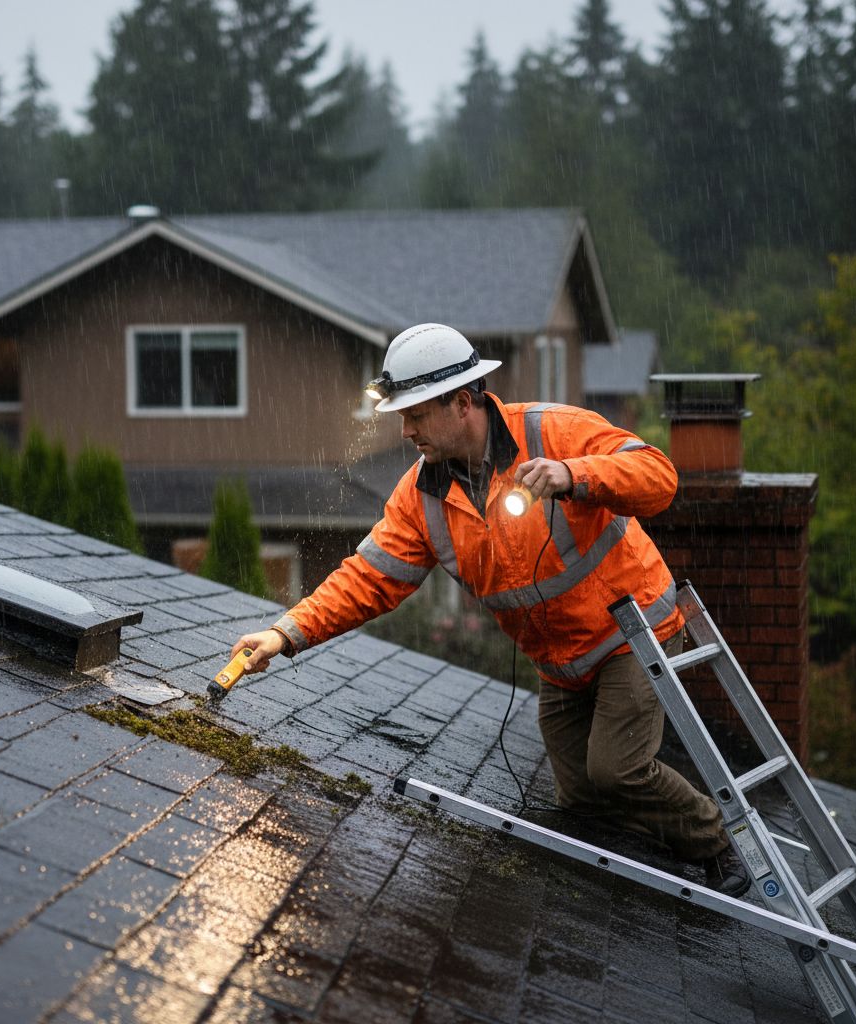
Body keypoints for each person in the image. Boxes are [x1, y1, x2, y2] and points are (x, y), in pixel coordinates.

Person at [230, 322, 749, 897]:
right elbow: (370, 577)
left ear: (461, 402)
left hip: (633, 635)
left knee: (617, 770)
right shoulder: (421, 497)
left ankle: (718, 844)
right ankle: (656, 860)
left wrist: (575, 475)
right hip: (561, 663)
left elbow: (660, 476)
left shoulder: (555, 430)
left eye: (416, 415)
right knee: (580, 800)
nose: (405, 432)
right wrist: (286, 632)